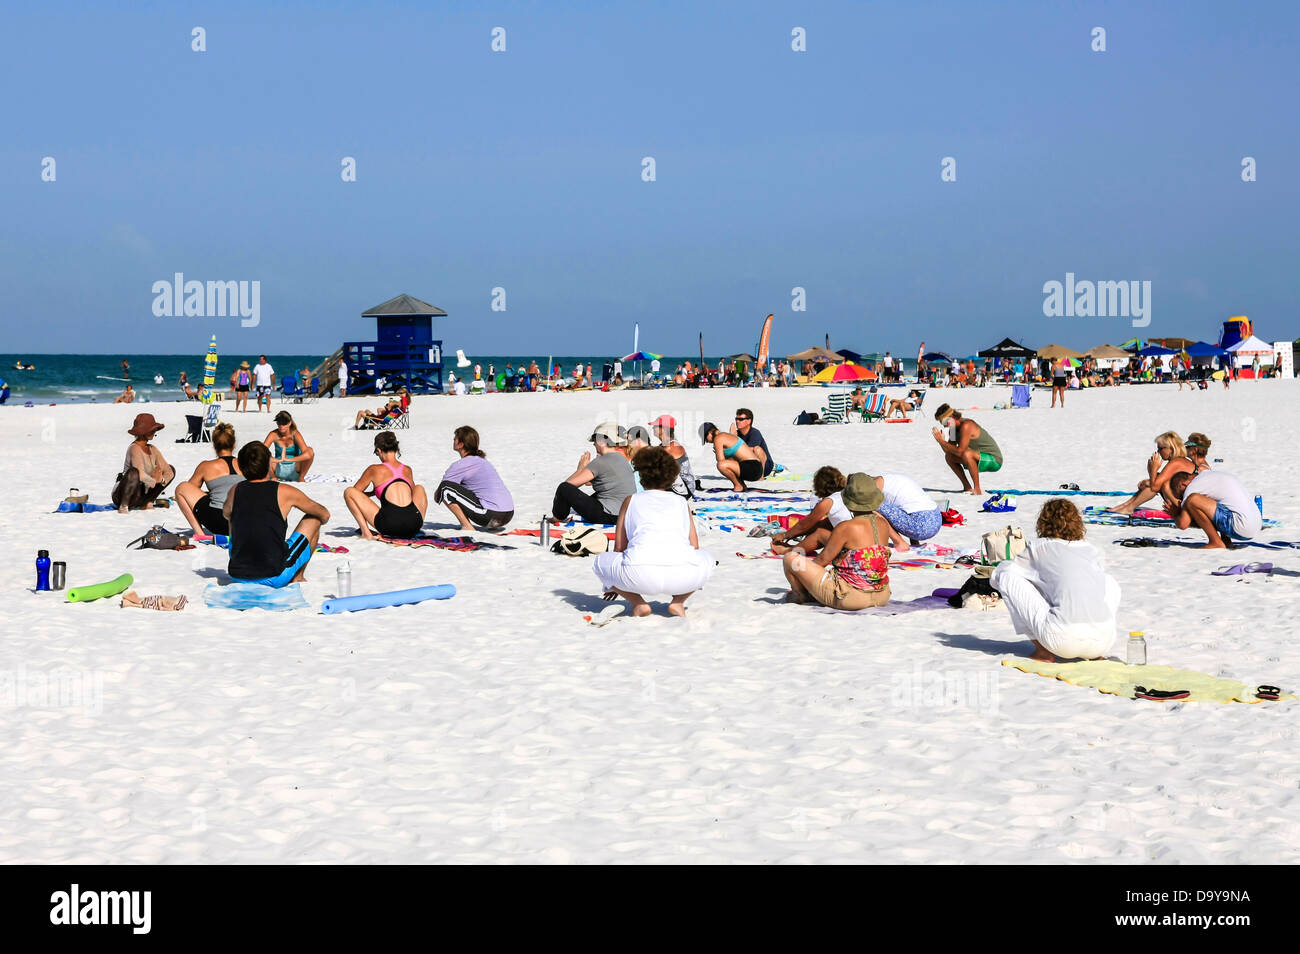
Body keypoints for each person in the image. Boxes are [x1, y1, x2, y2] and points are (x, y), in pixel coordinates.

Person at [991, 499, 1120, 662]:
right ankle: (1094, 651)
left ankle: (1042, 651)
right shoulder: (1092, 550)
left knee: (1007, 576)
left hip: (1062, 640)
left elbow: (1003, 574)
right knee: (1108, 581)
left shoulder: (1039, 547)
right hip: (1104, 641)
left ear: (1044, 522)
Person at [593, 447, 715, 617]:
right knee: (708, 560)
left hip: (639, 575)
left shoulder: (631, 500)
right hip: (682, 576)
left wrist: (613, 582)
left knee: (599, 562)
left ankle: (639, 603)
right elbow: (694, 546)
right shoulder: (681, 502)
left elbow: (619, 547)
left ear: (641, 474)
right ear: (671, 475)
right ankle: (678, 602)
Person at [224, 442, 330, 586]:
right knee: (314, 519)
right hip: (274, 575)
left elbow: (226, 513)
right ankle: (297, 577)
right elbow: (324, 514)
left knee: (233, 518)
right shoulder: (284, 490)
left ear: (241, 467)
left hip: (237, 575)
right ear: (268, 464)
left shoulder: (235, 490)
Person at [781, 473, 892, 610]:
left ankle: (800, 594)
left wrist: (804, 578)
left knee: (790, 558)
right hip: (882, 595)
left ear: (848, 502)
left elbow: (822, 561)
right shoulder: (883, 524)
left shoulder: (845, 527)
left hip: (851, 597)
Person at [344, 431, 429, 539]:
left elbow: (355, 492)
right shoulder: (407, 470)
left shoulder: (373, 469)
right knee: (419, 488)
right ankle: (412, 526)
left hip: (390, 525)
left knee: (349, 492)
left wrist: (372, 493)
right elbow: (409, 496)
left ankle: (366, 533)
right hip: (414, 524)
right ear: (396, 449)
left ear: (379, 450)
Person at [552, 422, 636, 524]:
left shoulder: (601, 461)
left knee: (563, 488)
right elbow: (589, 482)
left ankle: (557, 519)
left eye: (595, 441)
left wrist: (580, 470)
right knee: (599, 494)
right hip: (625, 514)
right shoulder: (621, 459)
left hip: (608, 515)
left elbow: (569, 486)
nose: (594, 444)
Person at [434, 425, 515, 531]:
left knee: (444, 488)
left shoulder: (461, 465)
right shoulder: (483, 461)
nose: (453, 441)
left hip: (491, 515)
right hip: (508, 514)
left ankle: (466, 526)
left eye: (455, 439)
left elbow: (438, 495)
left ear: (461, 444)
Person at [176, 422, 245, 535]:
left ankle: (200, 533)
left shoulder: (205, 466)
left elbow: (190, 489)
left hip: (218, 522)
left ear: (214, 445)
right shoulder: (244, 464)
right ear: (234, 444)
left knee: (181, 488)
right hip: (241, 522)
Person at [1168, 468, 1261, 550]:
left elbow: (1183, 524)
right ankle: (1226, 541)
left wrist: (1175, 513)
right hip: (1255, 526)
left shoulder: (1191, 488)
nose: (1182, 499)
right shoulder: (1206, 475)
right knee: (1219, 502)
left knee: (1192, 500)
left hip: (1240, 526)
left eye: (1181, 495)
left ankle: (1215, 542)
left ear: (1182, 485)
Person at [1107, 431, 1197, 514]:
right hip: (1183, 502)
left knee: (1155, 483)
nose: (1158, 452)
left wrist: (1152, 470)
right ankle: (1125, 506)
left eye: (1160, 449)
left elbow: (1155, 487)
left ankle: (1129, 507)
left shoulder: (1177, 462)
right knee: (1156, 480)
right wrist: (1150, 478)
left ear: (1171, 449)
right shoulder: (1179, 461)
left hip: (1184, 506)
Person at [771, 466, 852, 556]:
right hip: (863, 544)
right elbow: (815, 525)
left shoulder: (828, 502)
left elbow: (805, 524)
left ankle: (788, 551)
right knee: (826, 523)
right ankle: (797, 547)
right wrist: (793, 534)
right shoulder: (846, 494)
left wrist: (785, 535)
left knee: (820, 534)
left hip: (851, 549)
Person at [931, 404, 1001, 494]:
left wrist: (941, 441)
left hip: (994, 460)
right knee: (949, 456)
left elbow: (960, 451)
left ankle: (977, 489)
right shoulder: (953, 429)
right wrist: (941, 441)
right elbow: (950, 451)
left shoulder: (967, 425)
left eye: (945, 422)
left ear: (952, 417)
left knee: (966, 453)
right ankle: (967, 487)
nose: (944, 426)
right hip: (977, 457)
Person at [112, 413, 175, 512]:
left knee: (172, 468)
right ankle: (124, 506)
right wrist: (155, 481)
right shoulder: (134, 448)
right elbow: (140, 475)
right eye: (151, 430)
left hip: (142, 493)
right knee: (134, 473)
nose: (154, 432)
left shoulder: (153, 449)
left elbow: (168, 471)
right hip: (124, 493)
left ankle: (148, 501)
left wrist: (161, 480)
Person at [874, 472, 942, 549]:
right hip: (937, 518)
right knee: (893, 509)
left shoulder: (876, 486)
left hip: (922, 527)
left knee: (871, 506)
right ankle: (915, 542)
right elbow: (908, 505)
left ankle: (899, 542)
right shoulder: (891, 478)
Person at [700, 420, 766, 492]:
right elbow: (733, 461)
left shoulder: (718, 438)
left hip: (752, 467)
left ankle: (739, 485)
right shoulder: (726, 436)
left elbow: (720, 461)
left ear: (710, 433)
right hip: (756, 468)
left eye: (705, 439)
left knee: (721, 465)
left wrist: (718, 453)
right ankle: (741, 485)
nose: (707, 441)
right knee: (726, 464)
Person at [650, 414, 696, 498]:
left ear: (663, 429)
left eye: (655, 426)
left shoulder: (671, 447)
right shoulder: (664, 445)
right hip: (678, 486)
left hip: (683, 490)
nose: (653, 428)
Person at [263, 410, 314, 481]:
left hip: (295, 468)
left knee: (310, 450)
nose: (281, 426)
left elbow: (308, 454)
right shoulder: (273, 434)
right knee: (262, 454)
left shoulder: (295, 434)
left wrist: (288, 459)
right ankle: (273, 477)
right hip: (278, 467)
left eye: (284, 423)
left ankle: (301, 477)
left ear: (290, 423)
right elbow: (261, 452)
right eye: (279, 423)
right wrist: (276, 460)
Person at [733, 407, 776, 475]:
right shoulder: (736, 434)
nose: (737, 421)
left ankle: (761, 475)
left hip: (766, 466)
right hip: (748, 464)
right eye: (736, 419)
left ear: (749, 421)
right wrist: (732, 437)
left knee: (756, 449)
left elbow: (748, 452)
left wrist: (734, 441)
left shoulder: (755, 433)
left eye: (741, 419)